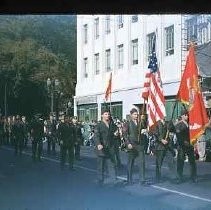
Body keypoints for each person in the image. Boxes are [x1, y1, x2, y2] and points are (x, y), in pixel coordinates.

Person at [94, 108, 119, 185]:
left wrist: (116, 134)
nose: (107, 115)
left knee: (112, 165)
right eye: (105, 114)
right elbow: (96, 136)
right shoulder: (99, 125)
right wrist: (98, 144)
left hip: (110, 148)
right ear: (102, 115)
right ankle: (100, 181)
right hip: (102, 148)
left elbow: (114, 135)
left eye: (108, 114)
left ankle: (114, 180)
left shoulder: (112, 125)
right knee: (100, 166)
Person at [123, 108, 146, 185]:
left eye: (137, 114)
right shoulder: (127, 123)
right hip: (132, 145)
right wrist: (128, 143)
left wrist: (144, 131)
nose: (136, 116)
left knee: (142, 162)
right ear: (131, 115)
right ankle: (129, 179)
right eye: (135, 114)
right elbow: (125, 135)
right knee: (130, 163)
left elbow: (144, 129)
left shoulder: (140, 123)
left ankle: (142, 180)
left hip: (139, 145)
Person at [175, 110, 197, 183]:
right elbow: (179, 135)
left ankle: (193, 177)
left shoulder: (189, 124)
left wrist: (193, 141)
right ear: (182, 116)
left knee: (192, 162)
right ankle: (179, 177)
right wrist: (184, 142)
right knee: (180, 162)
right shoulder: (179, 124)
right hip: (182, 146)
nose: (187, 116)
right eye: (185, 115)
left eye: (187, 115)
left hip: (189, 145)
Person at [154, 118, 177, 183]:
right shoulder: (157, 123)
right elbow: (156, 133)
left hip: (168, 146)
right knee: (159, 163)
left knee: (171, 161)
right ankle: (158, 177)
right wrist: (161, 140)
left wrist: (171, 125)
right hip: (160, 146)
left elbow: (173, 130)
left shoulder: (167, 123)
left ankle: (174, 177)